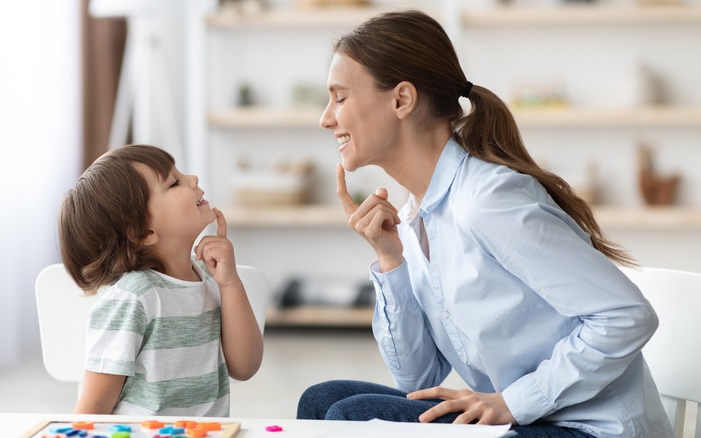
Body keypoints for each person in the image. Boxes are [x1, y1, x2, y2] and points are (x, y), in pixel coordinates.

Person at [296, 10, 672, 438]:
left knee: (351, 418)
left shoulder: (487, 201)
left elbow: (627, 316)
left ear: (401, 100)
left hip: (588, 429)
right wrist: (391, 261)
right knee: (322, 401)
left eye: (340, 98)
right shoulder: (415, 215)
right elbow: (417, 380)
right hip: (532, 423)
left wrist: (511, 402)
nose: (326, 118)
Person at [58, 144, 263, 416]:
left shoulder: (209, 278)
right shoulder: (133, 298)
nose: (193, 179)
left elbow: (245, 367)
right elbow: (93, 408)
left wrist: (229, 283)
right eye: (174, 182)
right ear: (143, 232)